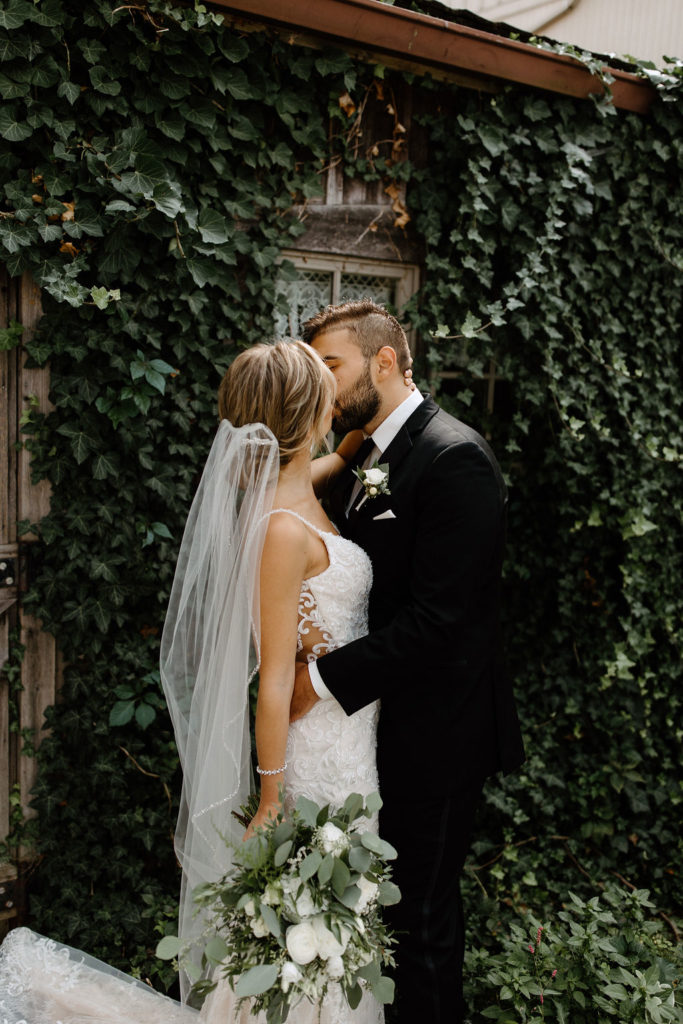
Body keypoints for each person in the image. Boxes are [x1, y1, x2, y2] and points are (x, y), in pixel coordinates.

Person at [0, 340, 380, 1024]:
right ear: (305, 411)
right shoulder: (281, 531)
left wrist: (348, 451)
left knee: (325, 934)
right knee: (309, 939)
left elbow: (311, 474)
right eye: (324, 386)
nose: (336, 393)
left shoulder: (291, 491)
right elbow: (270, 681)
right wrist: (269, 798)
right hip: (313, 763)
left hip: (349, 747)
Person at [290, 300, 525, 1024]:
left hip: (438, 736)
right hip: (375, 732)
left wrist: (320, 680)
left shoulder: (455, 458)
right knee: (377, 922)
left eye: (331, 365)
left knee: (418, 926)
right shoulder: (367, 446)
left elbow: (440, 620)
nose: (321, 382)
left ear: (383, 361)